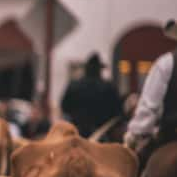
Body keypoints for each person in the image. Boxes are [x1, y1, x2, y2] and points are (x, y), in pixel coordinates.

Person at [123, 20, 177, 156]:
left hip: (170, 136)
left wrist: (134, 134)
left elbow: (150, 107)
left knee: (137, 171)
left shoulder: (167, 63)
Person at [60, 52, 122, 137]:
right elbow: (117, 112)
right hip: (102, 134)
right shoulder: (108, 87)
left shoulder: (74, 85)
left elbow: (64, 107)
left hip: (77, 133)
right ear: (99, 70)